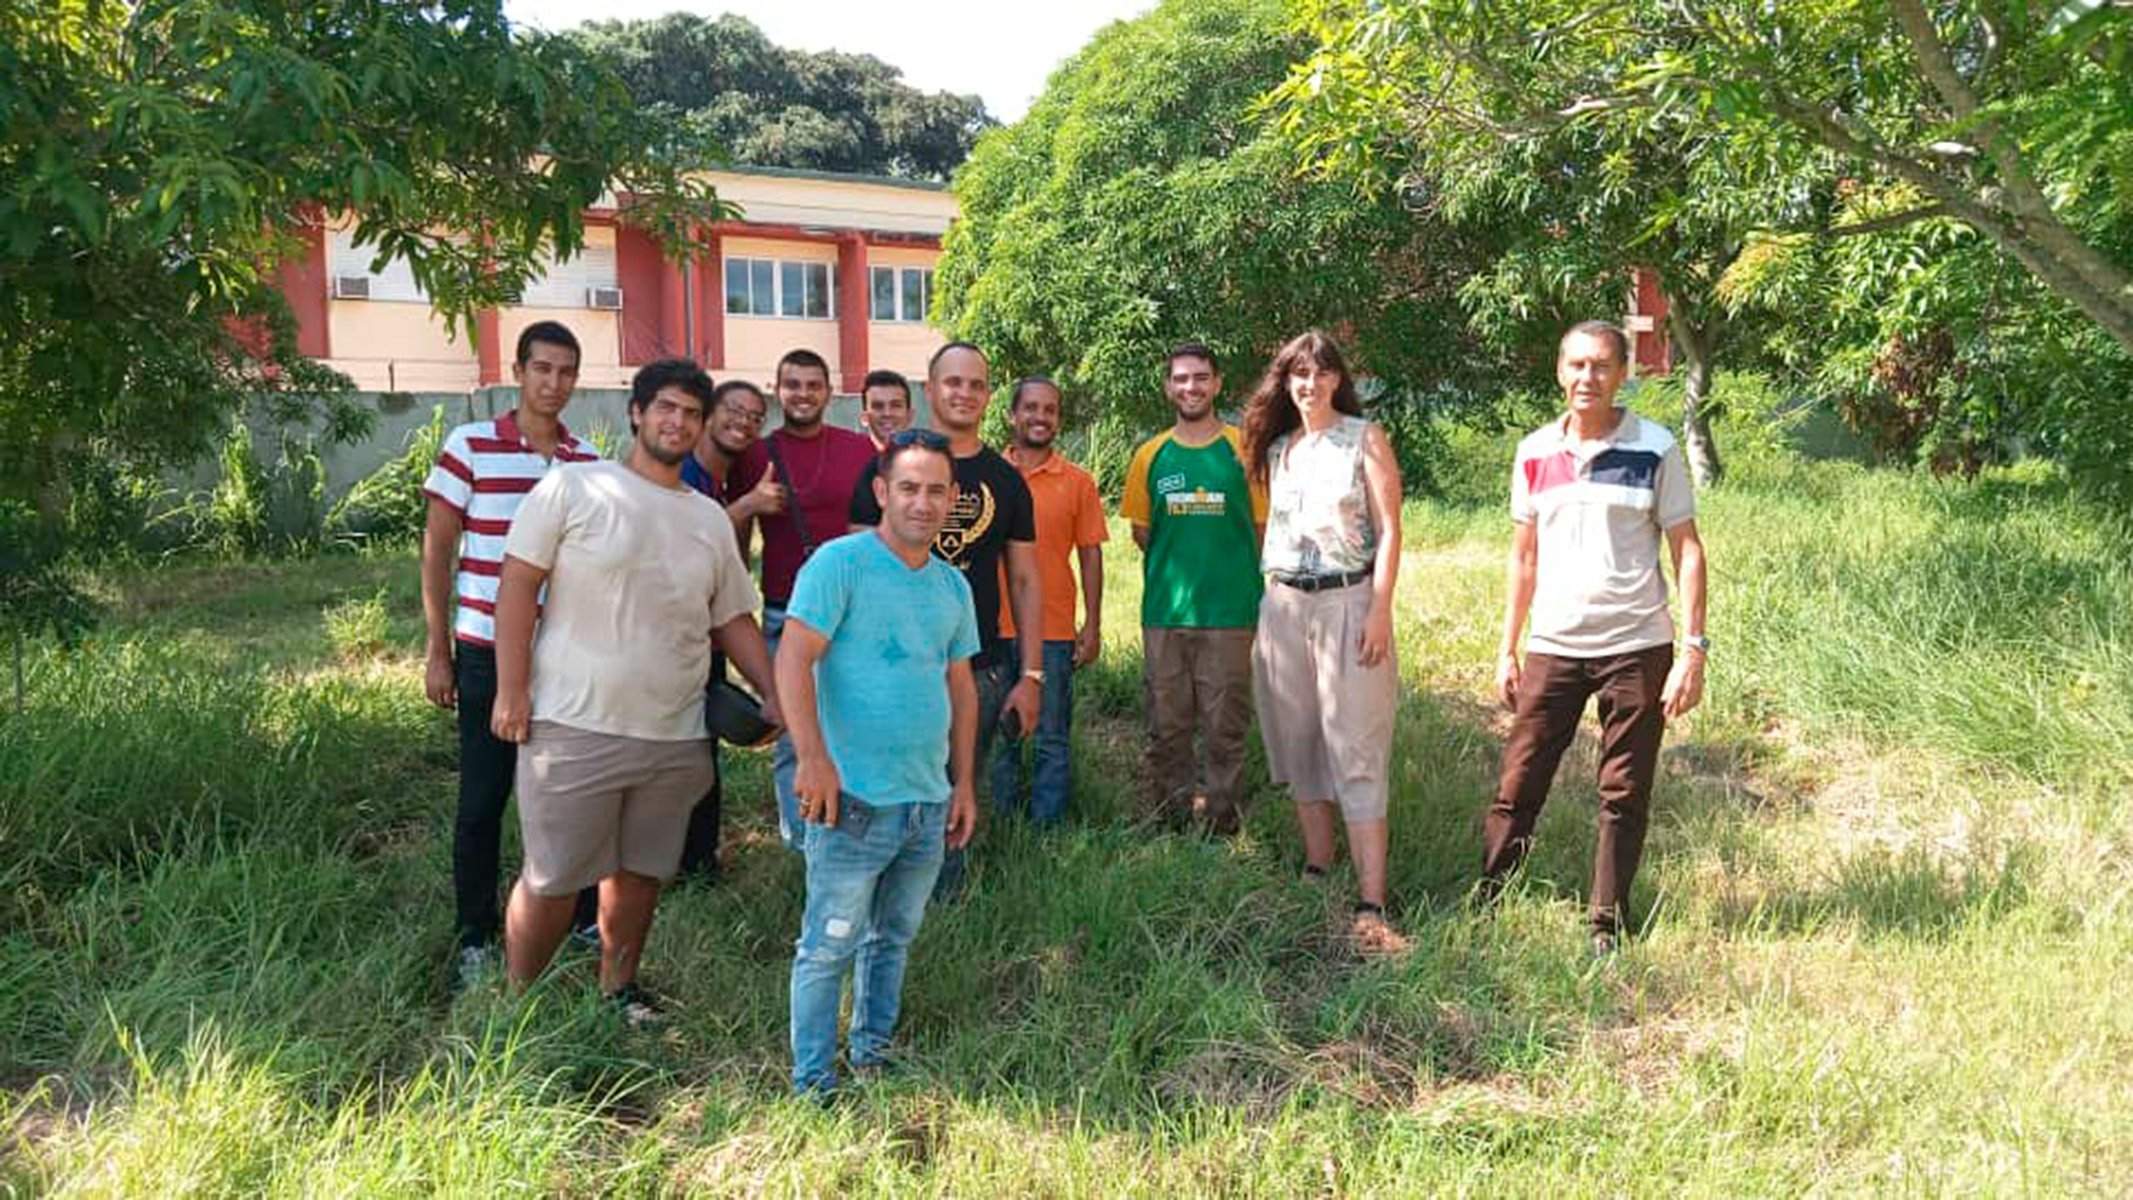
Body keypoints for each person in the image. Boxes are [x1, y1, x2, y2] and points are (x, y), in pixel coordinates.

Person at [489, 358, 780, 1018]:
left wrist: (772, 692)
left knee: (643, 872)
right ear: (637, 413)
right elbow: (517, 587)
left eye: (692, 413)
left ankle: (618, 989)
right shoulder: (574, 487)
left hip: (675, 731)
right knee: (553, 876)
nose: (678, 422)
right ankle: (518, 1008)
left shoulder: (708, 518)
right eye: (666, 408)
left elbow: (732, 618)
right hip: (574, 724)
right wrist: (511, 690)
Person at [1482, 320, 1709, 956]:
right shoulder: (1534, 452)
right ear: (1560, 371)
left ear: (1622, 374)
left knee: (1623, 791)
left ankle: (1606, 924)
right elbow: (1523, 556)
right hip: (1555, 644)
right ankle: (1491, 899)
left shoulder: (1655, 447)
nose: (1589, 377)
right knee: (1519, 781)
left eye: (1602, 366)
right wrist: (1507, 647)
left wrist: (1693, 651)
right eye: (1578, 365)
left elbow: (1687, 549)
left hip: (1637, 644)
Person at [780, 430, 979, 1098]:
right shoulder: (840, 565)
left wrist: (963, 784)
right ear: (881, 492)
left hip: (924, 803)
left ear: (951, 498)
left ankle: (872, 1055)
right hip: (852, 801)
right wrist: (812, 759)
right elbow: (793, 658)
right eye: (908, 488)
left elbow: (959, 686)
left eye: (935, 491)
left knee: (892, 938)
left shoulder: (952, 586)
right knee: (827, 946)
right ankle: (813, 1085)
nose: (922, 503)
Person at [420, 319, 599, 988]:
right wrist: (437, 650)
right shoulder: (470, 447)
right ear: (519, 372)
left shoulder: (586, 461)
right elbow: (438, 552)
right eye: (542, 369)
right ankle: (475, 934)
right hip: (485, 653)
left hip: (566, 656)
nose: (554, 383)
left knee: (569, 796)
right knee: (483, 798)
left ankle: (578, 920)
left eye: (566, 371)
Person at [849, 341, 1043, 898]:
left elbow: (1025, 581)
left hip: (976, 671)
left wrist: (1031, 676)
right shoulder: (887, 470)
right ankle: (875, 901)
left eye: (976, 384)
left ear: (989, 396)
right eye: (953, 382)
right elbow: (860, 574)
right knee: (881, 791)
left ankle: (942, 904)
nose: (964, 393)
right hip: (891, 668)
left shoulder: (1006, 481)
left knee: (958, 790)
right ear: (930, 389)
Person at [1241, 331, 1408, 954]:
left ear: (1337, 379)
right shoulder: (1278, 448)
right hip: (1284, 607)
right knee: (1299, 740)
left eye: (1319, 373)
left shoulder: (1364, 439)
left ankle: (1371, 901)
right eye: (1298, 374)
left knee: (1356, 745)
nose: (1308, 384)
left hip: (1348, 604)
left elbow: (1390, 531)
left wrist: (1379, 610)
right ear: (1286, 382)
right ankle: (1318, 865)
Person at [728, 350, 877, 851]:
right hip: (785, 610)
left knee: (851, 721)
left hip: (851, 611)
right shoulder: (755, 453)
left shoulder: (858, 449)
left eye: (813, 385)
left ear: (828, 393)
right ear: (778, 390)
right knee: (793, 727)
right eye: (793, 384)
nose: (803, 394)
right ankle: (800, 840)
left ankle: (849, 827)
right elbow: (738, 532)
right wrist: (737, 599)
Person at [1118, 342, 1265, 836]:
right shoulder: (1150, 455)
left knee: (1226, 728)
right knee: (1167, 726)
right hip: (1166, 613)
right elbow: (1143, 532)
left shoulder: (1244, 449)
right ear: (1168, 387)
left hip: (1231, 613)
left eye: (1201, 377)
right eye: (1181, 378)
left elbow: (1261, 529)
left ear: (1217, 384)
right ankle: (1171, 822)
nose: (1191, 387)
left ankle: (1223, 824)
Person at [676, 379, 783, 881]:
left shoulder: (719, 480)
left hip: (708, 637)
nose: (744, 422)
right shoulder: (683, 473)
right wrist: (748, 505)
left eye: (755, 417)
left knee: (701, 750)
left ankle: (698, 861)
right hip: (670, 645)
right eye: (734, 410)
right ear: (709, 413)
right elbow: (685, 542)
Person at [988, 376, 1106, 827]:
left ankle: (1046, 831)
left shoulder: (1078, 482)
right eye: (1031, 408)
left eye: (1050, 410)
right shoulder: (990, 475)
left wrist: (1091, 625)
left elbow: (1090, 554)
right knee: (999, 736)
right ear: (1012, 415)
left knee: (1052, 737)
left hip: (1053, 629)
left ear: (1058, 419)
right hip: (992, 628)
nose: (1040, 417)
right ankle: (1002, 826)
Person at [859, 368, 915, 451]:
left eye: (895, 406)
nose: (887, 413)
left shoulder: (927, 457)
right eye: (878, 406)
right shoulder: (851, 457)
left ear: (910, 416)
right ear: (864, 417)